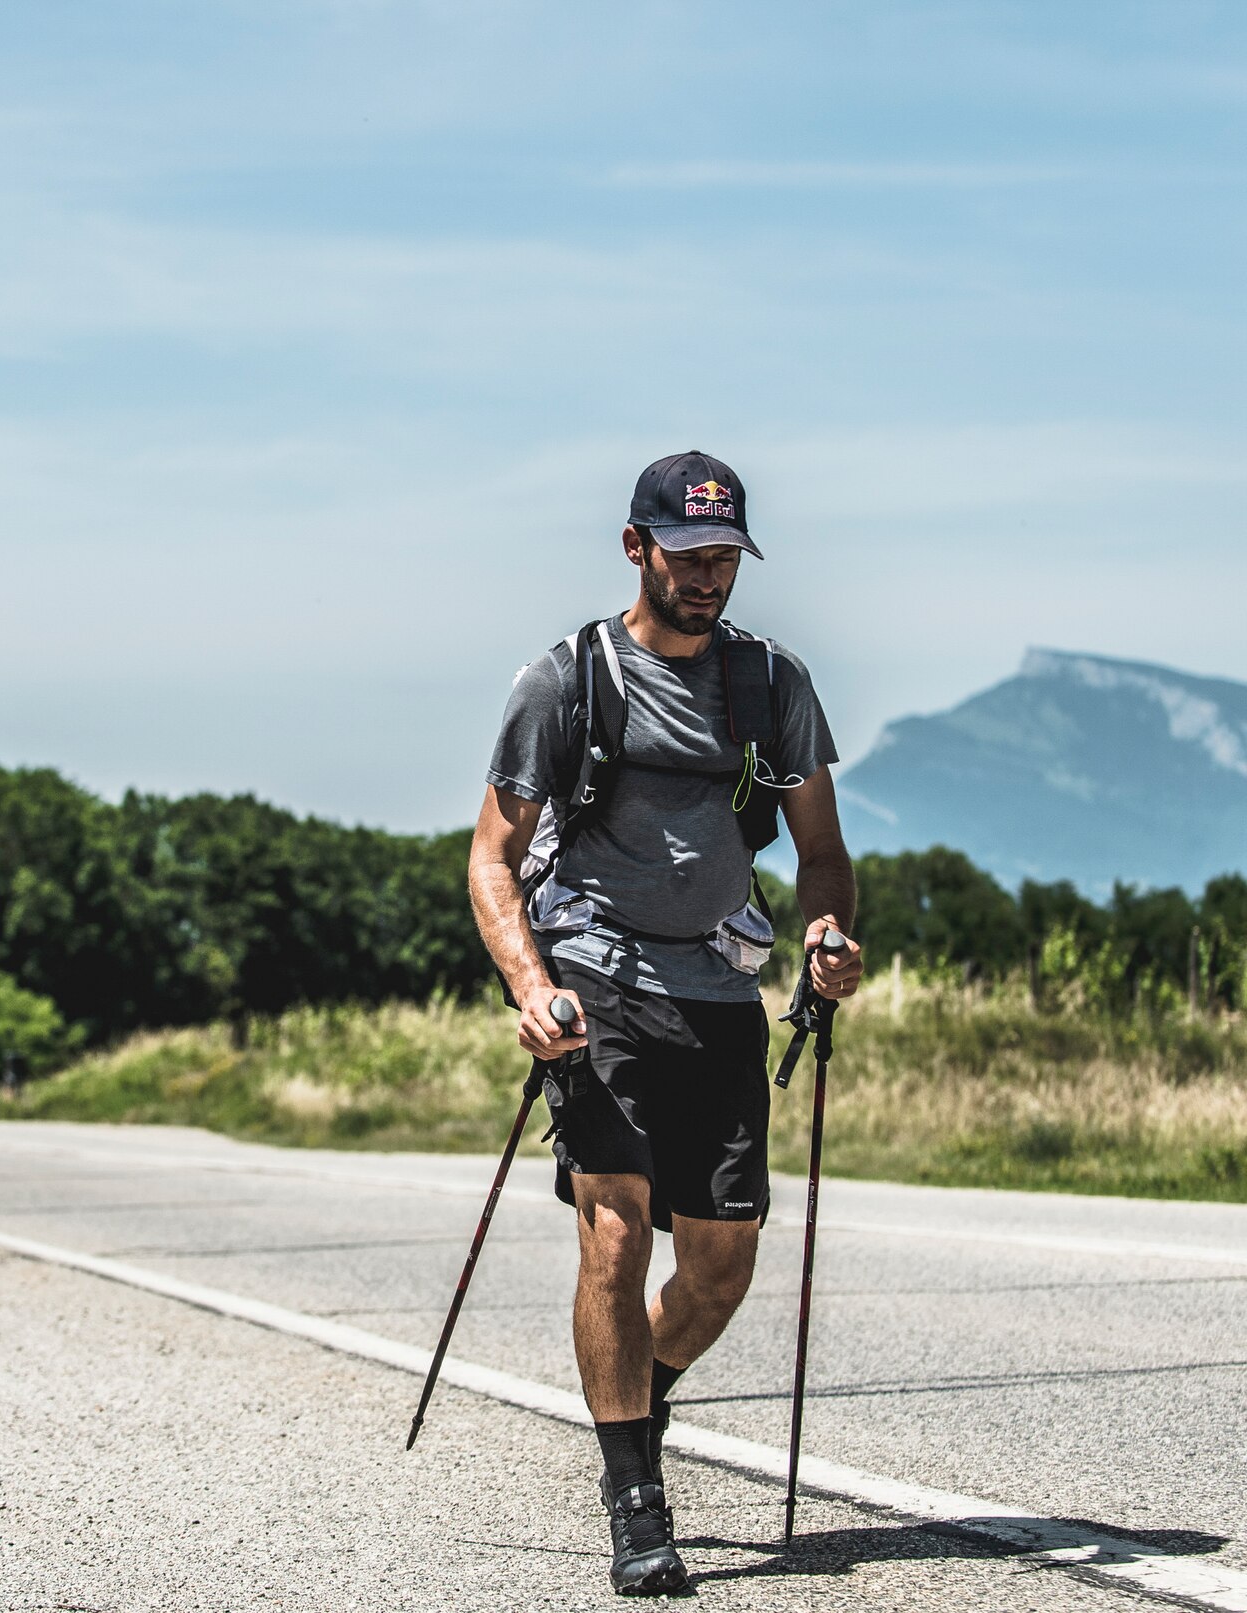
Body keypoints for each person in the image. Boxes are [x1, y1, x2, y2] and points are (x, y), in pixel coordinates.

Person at [467, 450, 864, 1597]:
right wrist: (529, 986)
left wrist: (827, 934)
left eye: (725, 556)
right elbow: (492, 858)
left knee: (721, 1264)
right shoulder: (566, 680)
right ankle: (634, 1497)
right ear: (634, 544)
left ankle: (638, 1394)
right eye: (688, 554)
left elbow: (820, 847)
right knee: (612, 1232)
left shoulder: (768, 683)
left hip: (720, 988)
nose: (708, 575)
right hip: (595, 985)